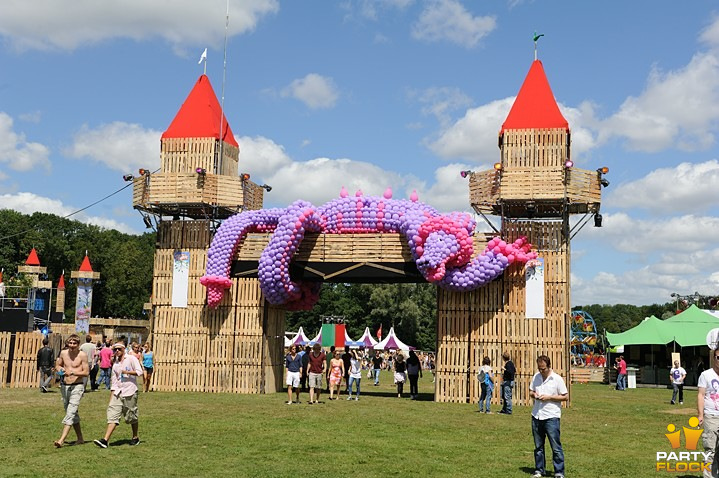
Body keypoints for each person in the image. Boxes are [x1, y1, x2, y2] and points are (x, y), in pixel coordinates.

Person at [94, 342, 143, 448]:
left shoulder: (131, 358)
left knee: (131, 416)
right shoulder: (115, 364)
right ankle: (105, 440)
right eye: (115, 350)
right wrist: (112, 396)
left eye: (119, 349)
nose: (117, 351)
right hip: (118, 392)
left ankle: (135, 437)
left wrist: (127, 372)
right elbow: (114, 380)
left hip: (130, 391)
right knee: (112, 416)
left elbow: (140, 372)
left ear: (124, 349)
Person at [529, 355, 568, 478]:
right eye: (539, 368)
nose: (541, 371)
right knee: (538, 446)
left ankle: (559, 472)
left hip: (551, 416)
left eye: (543, 369)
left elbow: (565, 396)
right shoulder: (536, 377)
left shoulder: (557, 379)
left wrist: (549, 397)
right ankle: (539, 470)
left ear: (549, 366)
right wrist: (534, 395)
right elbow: (530, 391)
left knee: (555, 446)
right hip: (537, 415)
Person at [54, 334, 89, 448]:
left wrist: (74, 373)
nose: (72, 346)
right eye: (70, 343)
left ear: (78, 345)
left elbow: (86, 372)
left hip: (78, 386)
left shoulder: (82, 355)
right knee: (73, 413)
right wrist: (61, 369)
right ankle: (80, 438)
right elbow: (58, 365)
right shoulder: (63, 353)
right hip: (65, 386)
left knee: (71, 412)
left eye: (74, 343)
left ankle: (61, 440)